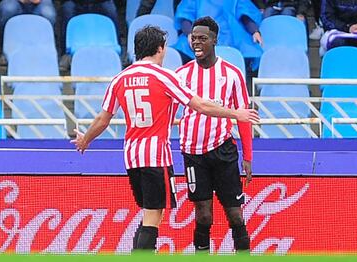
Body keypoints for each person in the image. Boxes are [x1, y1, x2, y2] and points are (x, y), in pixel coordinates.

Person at [70, 25, 259, 251]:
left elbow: (103, 119)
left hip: (132, 157)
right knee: (153, 216)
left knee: (147, 213)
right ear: (159, 49)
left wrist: (85, 140)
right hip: (156, 156)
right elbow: (199, 104)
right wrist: (234, 113)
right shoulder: (165, 76)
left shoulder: (120, 78)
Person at [175, 16, 253, 253]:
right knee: (204, 216)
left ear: (215, 40)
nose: (196, 43)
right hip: (192, 154)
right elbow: (166, 112)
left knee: (235, 216)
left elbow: (243, 117)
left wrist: (247, 157)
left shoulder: (232, 74)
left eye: (202, 38)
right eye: (194, 38)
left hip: (223, 151)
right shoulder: (180, 75)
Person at [174, 0, 263, 70]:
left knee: (250, 49)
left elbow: (245, 15)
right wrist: (190, 33)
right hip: (201, 34)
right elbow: (185, 16)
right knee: (183, 48)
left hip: (231, 36)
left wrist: (254, 31)